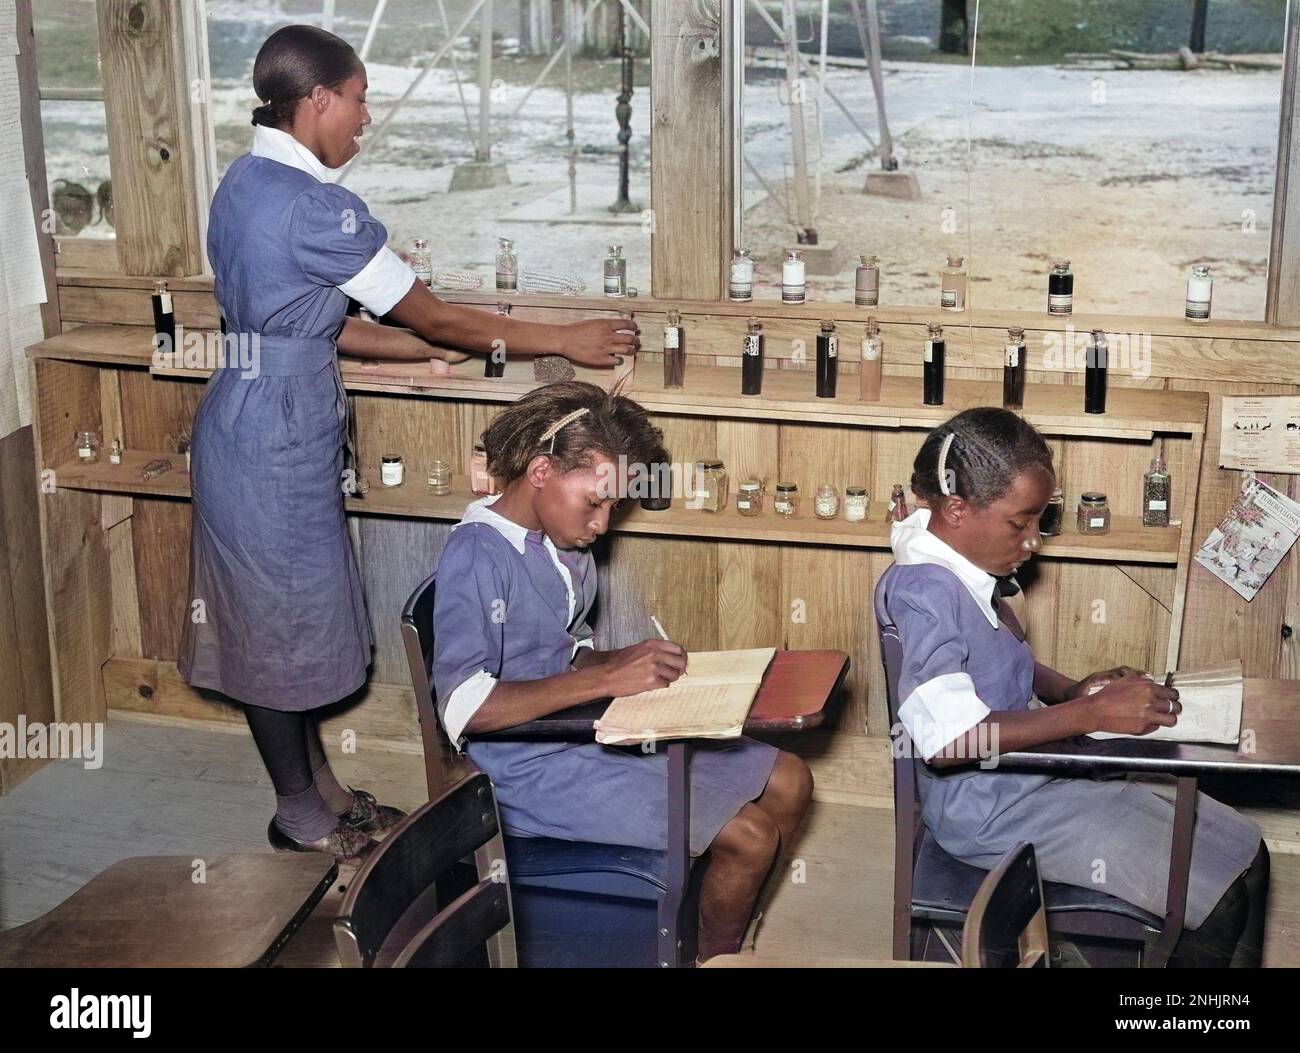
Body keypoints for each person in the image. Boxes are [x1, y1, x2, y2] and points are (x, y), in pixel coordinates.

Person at [178, 26, 635, 866]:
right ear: (316, 100)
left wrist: (424, 354)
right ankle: (301, 819)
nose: (365, 116)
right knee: (275, 636)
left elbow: (311, 320)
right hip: (273, 435)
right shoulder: (317, 205)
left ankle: (323, 796)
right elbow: (431, 311)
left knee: (280, 620)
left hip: (248, 411)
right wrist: (562, 335)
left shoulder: (246, 181)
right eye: (357, 98)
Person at [431, 382, 813, 962]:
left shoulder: (560, 545)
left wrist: (621, 660)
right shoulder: (477, 556)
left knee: (789, 778)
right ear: (540, 470)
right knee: (751, 837)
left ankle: (729, 918)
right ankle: (715, 959)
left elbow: (567, 649)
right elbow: (464, 706)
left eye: (614, 507)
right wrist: (605, 681)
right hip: (524, 769)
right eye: (595, 503)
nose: (603, 525)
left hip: (578, 728)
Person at [876, 407, 1268, 966]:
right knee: (1218, 900)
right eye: (1021, 523)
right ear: (957, 510)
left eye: (1040, 520)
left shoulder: (953, 562)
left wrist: (1072, 691)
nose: (1033, 540)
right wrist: (1091, 716)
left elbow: (994, 659)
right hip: (991, 811)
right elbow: (946, 742)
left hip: (1030, 778)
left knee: (1247, 851)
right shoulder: (925, 593)